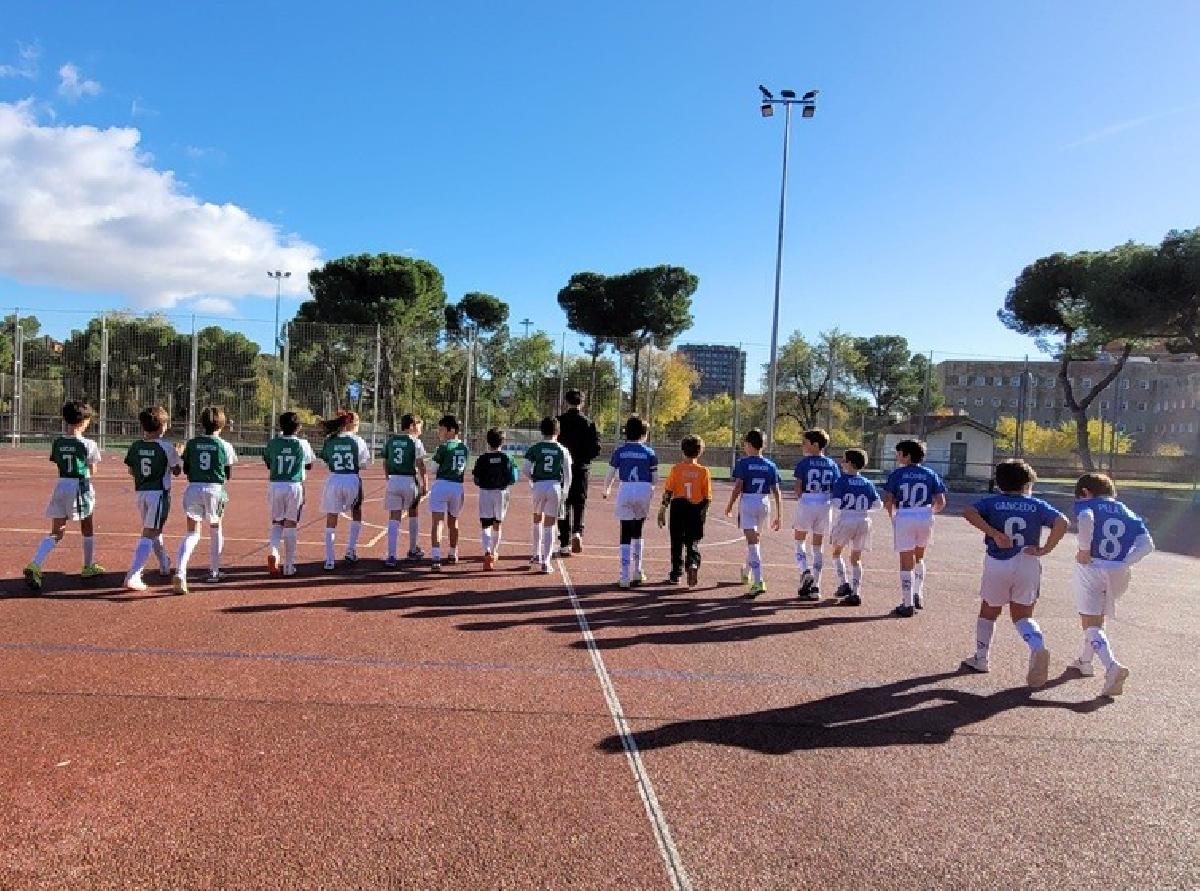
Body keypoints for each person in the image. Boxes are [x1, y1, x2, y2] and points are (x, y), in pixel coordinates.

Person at [959, 459, 1068, 687]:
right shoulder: (1037, 504)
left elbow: (969, 512)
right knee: (1023, 616)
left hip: (998, 561)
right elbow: (1062, 522)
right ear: (1027, 484)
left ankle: (981, 658)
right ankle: (1037, 647)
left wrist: (993, 532)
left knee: (988, 610)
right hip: (1027, 560)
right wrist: (1045, 549)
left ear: (999, 482)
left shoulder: (992, 502)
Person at [1069, 473, 1154, 697]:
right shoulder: (1128, 511)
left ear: (1086, 492)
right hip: (1119, 570)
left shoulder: (1087, 505)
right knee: (1098, 616)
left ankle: (1111, 666)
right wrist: (1125, 562)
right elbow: (1148, 544)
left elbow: (1086, 518)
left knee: (1089, 620)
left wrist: (1084, 549)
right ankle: (1085, 661)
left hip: (1093, 566)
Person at [23, 400, 105, 591]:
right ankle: (88, 565)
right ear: (84, 421)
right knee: (87, 525)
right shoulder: (88, 444)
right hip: (79, 487)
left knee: (57, 531)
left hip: (61, 486)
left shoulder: (58, 442)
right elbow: (92, 470)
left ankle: (35, 564)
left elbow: (58, 462)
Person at [172, 406, 239, 593]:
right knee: (216, 528)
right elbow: (227, 474)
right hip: (215, 490)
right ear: (222, 425)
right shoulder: (225, 445)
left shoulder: (192, 443)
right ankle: (215, 571)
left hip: (193, 488)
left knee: (192, 533)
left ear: (201, 423)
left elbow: (186, 469)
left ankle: (180, 570)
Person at [882, 439, 947, 617]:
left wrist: (893, 517)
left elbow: (888, 501)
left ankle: (907, 603)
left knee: (905, 560)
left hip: (905, 514)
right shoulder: (930, 473)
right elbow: (941, 502)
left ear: (907, 455)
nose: (897, 456)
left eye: (899, 453)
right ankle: (918, 593)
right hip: (924, 514)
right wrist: (929, 513)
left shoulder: (897, 474)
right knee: (919, 556)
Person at [122, 406, 182, 591]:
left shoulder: (136, 446)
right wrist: (178, 454)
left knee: (153, 529)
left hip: (141, 493)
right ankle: (133, 574)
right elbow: (177, 471)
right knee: (149, 532)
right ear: (163, 426)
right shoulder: (166, 447)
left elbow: (132, 470)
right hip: (159, 493)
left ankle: (164, 562)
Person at [724, 429, 783, 597]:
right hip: (764, 503)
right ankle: (747, 571)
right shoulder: (770, 465)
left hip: (749, 502)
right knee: (755, 540)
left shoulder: (743, 463)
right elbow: (776, 491)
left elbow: (738, 487)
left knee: (753, 543)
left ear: (749, 445)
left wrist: (730, 505)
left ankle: (759, 580)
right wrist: (779, 514)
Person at [603, 416, 657, 588]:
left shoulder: (620, 451)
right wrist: (650, 491)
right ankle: (638, 571)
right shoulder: (650, 453)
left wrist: (607, 489)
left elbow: (610, 474)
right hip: (644, 489)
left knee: (625, 531)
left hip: (625, 488)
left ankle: (624, 576)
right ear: (644, 434)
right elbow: (655, 478)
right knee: (638, 531)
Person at [263, 411, 315, 577]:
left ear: (280, 426)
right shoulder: (303, 444)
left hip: (276, 485)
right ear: (298, 427)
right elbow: (309, 465)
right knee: (291, 524)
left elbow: (268, 462)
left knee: (277, 522)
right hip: (294, 485)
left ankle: (273, 551)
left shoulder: (273, 443)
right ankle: (289, 565)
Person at [318, 410, 371, 571]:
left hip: (334, 480)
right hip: (351, 479)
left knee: (331, 518)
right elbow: (364, 464)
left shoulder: (330, 440)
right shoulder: (358, 441)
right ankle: (350, 550)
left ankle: (329, 559)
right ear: (351, 424)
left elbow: (323, 462)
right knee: (357, 510)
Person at [828, 448, 882, 606]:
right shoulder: (867, 483)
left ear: (850, 463)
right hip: (864, 520)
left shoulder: (841, 481)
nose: (841, 462)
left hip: (846, 519)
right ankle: (856, 592)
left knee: (836, 552)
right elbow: (878, 504)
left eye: (844, 460)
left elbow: (837, 503)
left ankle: (843, 583)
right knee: (856, 558)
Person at [792, 428, 841, 601]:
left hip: (807, 501)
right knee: (818, 546)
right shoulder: (832, 464)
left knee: (799, 540)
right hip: (825, 503)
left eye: (805, 443)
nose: (802, 446)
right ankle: (816, 586)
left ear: (814, 444)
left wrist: (804, 499)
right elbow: (836, 487)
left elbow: (798, 487)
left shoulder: (804, 463)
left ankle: (804, 570)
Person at [657, 434, 712, 587]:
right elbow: (707, 496)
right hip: (695, 508)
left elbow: (668, 491)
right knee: (692, 541)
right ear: (700, 452)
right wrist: (704, 514)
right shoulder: (703, 471)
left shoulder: (676, 469)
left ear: (682, 451)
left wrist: (662, 508)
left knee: (676, 541)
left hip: (678, 506)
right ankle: (692, 564)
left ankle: (676, 573)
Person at [524, 417, 573, 574]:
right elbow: (568, 474)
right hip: (554, 486)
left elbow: (525, 469)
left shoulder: (535, 448)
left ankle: (536, 553)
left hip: (538, 486)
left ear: (541, 431)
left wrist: (534, 479)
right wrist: (565, 491)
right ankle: (546, 562)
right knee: (550, 524)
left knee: (537, 519)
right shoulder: (562, 449)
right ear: (557, 432)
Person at [556, 389, 601, 556]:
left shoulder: (559, 422)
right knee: (580, 502)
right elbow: (596, 447)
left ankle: (564, 542)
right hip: (582, 467)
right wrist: (585, 459)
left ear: (566, 401)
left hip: (563, 468)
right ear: (582, 403)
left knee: (564, 503)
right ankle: (577, 532)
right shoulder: (588, 423)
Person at [383, 413, 428, 567]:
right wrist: (425, 484)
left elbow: (386, 462)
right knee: (413, 512)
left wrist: (388, 478)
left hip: (394, 480)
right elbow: (421, 465)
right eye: (419, 425)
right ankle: (412, 549)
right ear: (412, 426)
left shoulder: (391, 441)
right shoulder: (415, 442)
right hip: (409, 480)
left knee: (394, 517)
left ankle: (391, 555)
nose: (421, 428)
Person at [472, 427, 519, 571]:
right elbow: (514, 478)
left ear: (488, 441)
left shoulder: (482, 458)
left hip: (485, 492)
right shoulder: (507, 458)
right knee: (497, 523)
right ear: (503, 442)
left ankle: (486, 552)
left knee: (485, 524)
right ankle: (493, 552)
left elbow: (476, 479)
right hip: (501, 493)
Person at [427, 414, 469, 571]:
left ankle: (436, 556)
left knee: (437, 522)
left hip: (442, 485)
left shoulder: (443, 447)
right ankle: (453, 552)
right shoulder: (464, 448)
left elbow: (433, 469)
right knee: (454, 522)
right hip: (457, 486)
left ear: (451, 430)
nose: (440, 432)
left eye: (442, 429)